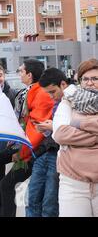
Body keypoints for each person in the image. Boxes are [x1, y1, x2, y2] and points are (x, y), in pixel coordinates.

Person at [0, 59, 54, 217]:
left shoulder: (41, 94)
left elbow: (37, 130)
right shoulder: (27, 92)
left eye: (20, 71)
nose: (18, 74)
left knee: (8, 184)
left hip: (36, 151)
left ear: (29, 75)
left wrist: (22, 154)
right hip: (25, 145)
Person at [53, 59, 98, 217]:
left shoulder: (73, 113)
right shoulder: (68, 102)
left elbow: (69, 131)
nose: (89, 83)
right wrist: (94, 136)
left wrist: (79, 122)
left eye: (94, 78)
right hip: (73, 183)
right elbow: (60, 134)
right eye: (85, 79)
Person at [24, 68, 68, 217]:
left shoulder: (75, 101)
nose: (51, 97)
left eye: (52, 92)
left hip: (58, 155)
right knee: (32, 199)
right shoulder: (57, 101)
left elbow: (71, 131)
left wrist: (53, 126)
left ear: (63, 84)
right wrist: (48, 128)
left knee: (49, 204)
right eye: (48, 93)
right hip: (43, 151)